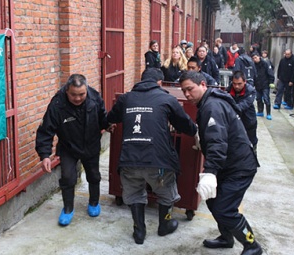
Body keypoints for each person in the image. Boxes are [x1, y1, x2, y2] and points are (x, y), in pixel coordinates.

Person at [107, 68, 197, 244]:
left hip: (129, 161)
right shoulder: (167, 99)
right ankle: (165, 224)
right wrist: (196, 131)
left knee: (134, 195)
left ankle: (139, 231)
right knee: (166, 194)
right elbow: (185, 124)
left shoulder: (126, 99)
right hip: (159, 162)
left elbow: (110, 117)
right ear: (159, 83)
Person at [178, 71, 263, 255]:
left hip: (240, 167)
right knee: (213, 201)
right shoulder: (208, 103)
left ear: (203, 84)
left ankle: (252, 245)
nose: (186, 94)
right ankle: (226, 237)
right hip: (229, 164)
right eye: (184, 91)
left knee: (225, 209)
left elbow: (218, 142)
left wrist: (210, 172)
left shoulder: (212, 106)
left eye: (190, 89)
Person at [35, 74, 112, 226]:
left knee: (94, 175)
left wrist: (108, 124)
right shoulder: (57, 104)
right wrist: (44, 155)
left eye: (81, 94)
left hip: (91, 144)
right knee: (68, 178)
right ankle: (68, 209)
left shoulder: (94, 97)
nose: (78, 98)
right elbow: (46, 130)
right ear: (67, 91)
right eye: (73, 95)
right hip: (68, 147)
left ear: (87, 90)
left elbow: (102, 116)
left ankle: (94, 202)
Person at [226, 71, 258, 154]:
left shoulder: (251, 90)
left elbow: (244, 105)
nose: (236, 86)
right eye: (234, 83)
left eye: (239, 84)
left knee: (251, 141)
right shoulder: (229, 89)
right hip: (234, 120)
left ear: (245, 82)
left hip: (248, 120)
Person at [252, 51, 275, 120]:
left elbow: (270, 72)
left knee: (266, 99)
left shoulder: (265, 63)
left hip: (265, 84)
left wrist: (271, 81)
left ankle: (268, 113)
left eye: (255, 57)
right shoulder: (253, 65)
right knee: (258, 98)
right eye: (253, 58)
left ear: (259, 57)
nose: (254, 59)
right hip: (257, 85)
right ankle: (260, 111)